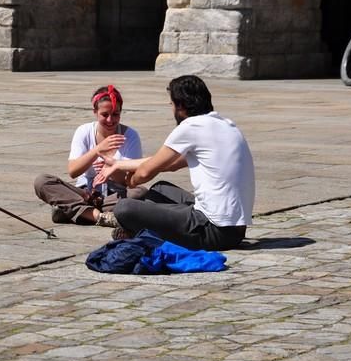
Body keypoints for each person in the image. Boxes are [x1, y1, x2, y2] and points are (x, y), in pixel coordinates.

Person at [95, 75, 255, 250]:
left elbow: (145, 172)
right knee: (160, 190)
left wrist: (130, 182)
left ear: (181, 106)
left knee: (124, 208)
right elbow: (168, 163)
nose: (171, 109)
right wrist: (119, 164)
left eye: (171, 104)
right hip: (236, 231)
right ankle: (142, 228)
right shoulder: (226, 124)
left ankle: (139, 229)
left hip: (213, 231)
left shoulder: (190, 127)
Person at [34, 85, 148, 227]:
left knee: (140, 193)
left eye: (115, 114)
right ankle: (99, 217)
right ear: (95, 112)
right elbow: (73, 171)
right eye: (105, 115)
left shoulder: (130, 135)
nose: (110, 120)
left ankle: (73, 210)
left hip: (113, 196)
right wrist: (97, 150)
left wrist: (111, 170)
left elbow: (131, 182)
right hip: (84, 193)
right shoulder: (84, 131)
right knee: (42, 181)